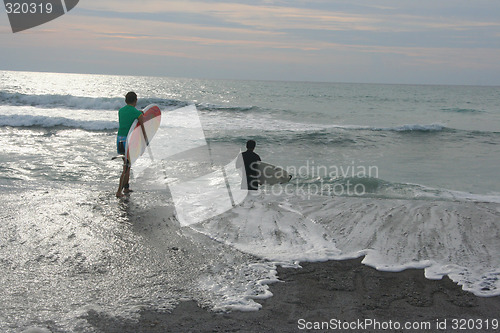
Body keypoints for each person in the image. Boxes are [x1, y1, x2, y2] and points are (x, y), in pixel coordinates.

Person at [116, 92, 145, 197]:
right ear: (136, 100)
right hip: (128, 141)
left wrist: (138, 113)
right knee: (126, 167)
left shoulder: (120, 111)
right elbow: (143, 127)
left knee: (127, 165)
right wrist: (145, 141)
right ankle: (119, 191)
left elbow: (130, 118)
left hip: (120, 140)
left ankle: (126, 188)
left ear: (125, 101)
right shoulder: (136, 113)